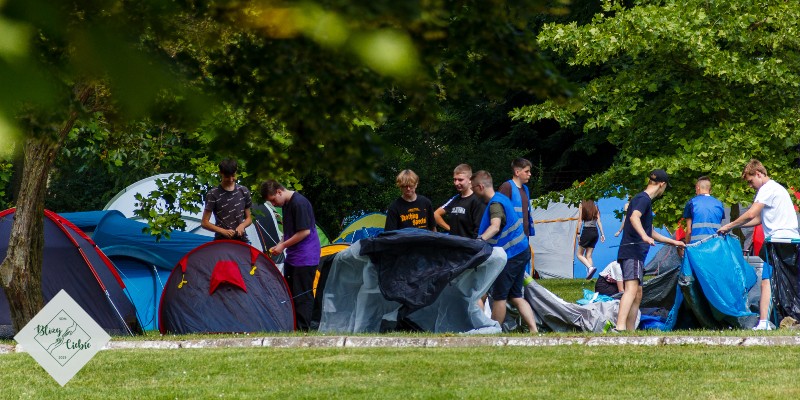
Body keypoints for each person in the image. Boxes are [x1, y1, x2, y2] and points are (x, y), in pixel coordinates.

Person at [718, 159, 800, 331]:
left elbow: (751, 213)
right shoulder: (775, 189)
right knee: (768, 280)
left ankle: (764, 322)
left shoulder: (767, 189)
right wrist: (735, 225)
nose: (750, 186)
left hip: (780, 240)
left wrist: (729, 225)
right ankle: (765, 321)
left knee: (768, 280)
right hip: (785, 240)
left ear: (759, 174)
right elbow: (757, 219)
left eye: (750, 181)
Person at [615, 169, 685, 332]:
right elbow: (634, 218)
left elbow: (650, 232)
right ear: (662, 184)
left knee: (638, 293)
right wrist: (643, 237)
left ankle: (631, 330)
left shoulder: (644, 200)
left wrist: (674, 242)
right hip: (632, 251)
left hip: (638, 254)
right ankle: (620, 327)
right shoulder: (643, 199)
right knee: (631, 289)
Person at [472, 170, 538, 333]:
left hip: (512, 255)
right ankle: (534, 330)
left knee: (499, 297)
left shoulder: (495, 204)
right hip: (522, 251)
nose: (473, 193)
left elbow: (495, 226)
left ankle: (494, 331)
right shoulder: (502, 199)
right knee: (516, 296)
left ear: (480, 187)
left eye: (473, 188)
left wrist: (480, 241)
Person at [261, 180, 321, 331]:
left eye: (273, 200)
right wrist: (279, 243)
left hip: (306, 257)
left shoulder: (299, 203)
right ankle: (294, 327)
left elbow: (304, 232)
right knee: (291, 292)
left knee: (302, 295)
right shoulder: (286, 205)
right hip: (293, 256)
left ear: (279, 192)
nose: (273, 204)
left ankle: (304, 330)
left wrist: (283, 246)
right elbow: (288, 232)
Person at [201, 158, 252, 242]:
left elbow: (249, 219)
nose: (231, 179)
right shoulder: (213, 194)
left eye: (233, 175)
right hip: (221, 240)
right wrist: (223, 231)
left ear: (236, 172)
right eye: (227, 177)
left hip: (241, 239)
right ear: (220, 173)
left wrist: (242, 225)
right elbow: (204, 223)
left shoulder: (244, 191)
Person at [433, 164, 485, 238]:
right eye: (455, 179)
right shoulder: (455, 199)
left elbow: (479, 229)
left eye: (460, 180)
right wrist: (450, 229)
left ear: (470, 180)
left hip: (469, 246)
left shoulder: (478, 200)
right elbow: (436, 214)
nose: (456, 183)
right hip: (454, 245)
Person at [682, 176, 725, 244]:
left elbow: (689, 231)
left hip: (697, 246)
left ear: (698, 187)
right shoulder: (719, 204)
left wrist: (687, 247)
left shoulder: (691, 203)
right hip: (716, 245)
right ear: (710, 189)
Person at [576, 199, 606, 279]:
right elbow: (599, 221)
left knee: (579, 254)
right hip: (595, 232)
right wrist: (602, 234)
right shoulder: (595, 207)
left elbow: (580, 221)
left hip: (587, 231)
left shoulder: (582, 206)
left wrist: (578, 233)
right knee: (588, 255)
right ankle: (590, 276)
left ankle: (590, 268)